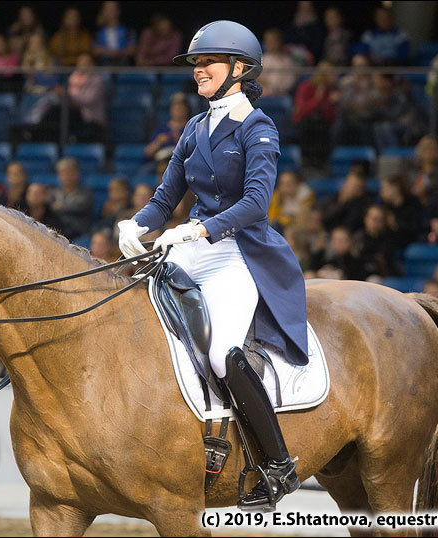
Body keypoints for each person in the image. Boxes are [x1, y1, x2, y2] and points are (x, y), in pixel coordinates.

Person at [117, 21, 302, 510]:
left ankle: (278, 465)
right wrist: (136, 225)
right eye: (195, 64)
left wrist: (200, 229)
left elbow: (258, 203)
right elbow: (166, 197)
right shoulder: (196, 127)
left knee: (222, 353)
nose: (197, 71)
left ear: (239, 69)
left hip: (238, 251)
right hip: (191, 246)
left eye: (208, 63)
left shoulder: (258, 127)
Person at [51, 157, 93, 240]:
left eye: (69, 172)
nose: (66, 176)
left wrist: (59, 207)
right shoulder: (53, 192)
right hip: (56, 235)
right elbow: (50, 208)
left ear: (77, 173)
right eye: (63, 172)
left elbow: (78, 208)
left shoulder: (85, 193)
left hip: (79, 236)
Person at [144, 93, 190, 162]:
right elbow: (148, 153)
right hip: (160, 165)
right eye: (175, 107)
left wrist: (181, 142)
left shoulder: (192, 129)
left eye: (181, 107)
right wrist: (158, 142)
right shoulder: (162, 130)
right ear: (171, 109)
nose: (178, 110)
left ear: (186, 109)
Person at [92, 1, 136, 66]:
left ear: (118, 11)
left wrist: (119, 53)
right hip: (104, 65)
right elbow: (95, 50)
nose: (111, 11)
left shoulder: (128, 30)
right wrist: (108, 52)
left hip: (123, 65)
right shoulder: (98, 32)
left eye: (113, 9)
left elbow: (132, 50)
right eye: (108, 9)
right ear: (103, 11)